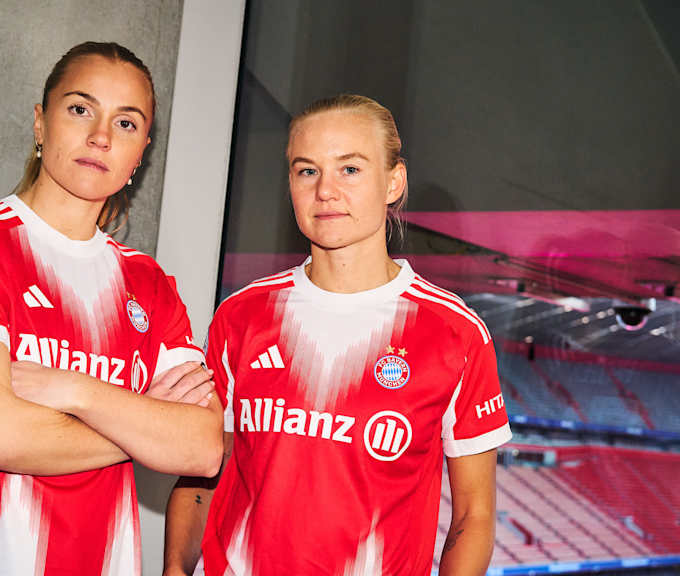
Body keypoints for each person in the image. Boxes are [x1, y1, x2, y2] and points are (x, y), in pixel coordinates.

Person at [0, 41, 223, 576]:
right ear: (40, 123)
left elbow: (200, 447)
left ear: (141, 151)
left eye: (126, 124)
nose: (100, 137)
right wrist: (140, 422)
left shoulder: (148, 284)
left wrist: (76, 390)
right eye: (80, 109)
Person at [163, 94, 511, 576]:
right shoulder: (242, 315)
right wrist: (176, 569)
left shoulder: (456, 334)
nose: (325, 190)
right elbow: (203, 475)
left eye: (349, 169)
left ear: (394, 182)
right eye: (307, 171)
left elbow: (473, 516)